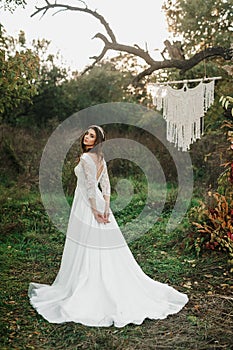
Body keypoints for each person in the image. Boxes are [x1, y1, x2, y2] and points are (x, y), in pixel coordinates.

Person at [28, 125, 188, 327]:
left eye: (91, 135)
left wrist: (96, 210)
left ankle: (86, 282)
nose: (87, 137)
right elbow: (106, 185)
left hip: (87, 204)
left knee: (86, 242)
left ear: (97, 141)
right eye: (86, 134)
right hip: (99, 204)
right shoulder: (101, 159)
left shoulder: (86, 159)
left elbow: (89, 186)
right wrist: (106, 206)